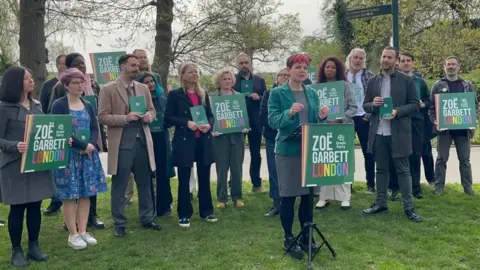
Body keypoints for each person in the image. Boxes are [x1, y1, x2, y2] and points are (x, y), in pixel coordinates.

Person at [268, 53, 329, 260]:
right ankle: (288, 237)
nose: (302, 70)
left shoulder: (312, 93)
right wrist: (289, 114)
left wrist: (321, 117)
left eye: (305, 67)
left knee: (307, 196)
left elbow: (314, 124)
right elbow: (273, 121)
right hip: (287, 151)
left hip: (308, 150)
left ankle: (306, 235)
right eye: (297, 67)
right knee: (288, 196)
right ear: (288, 70)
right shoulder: (277, 93)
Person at [98, 54, 160, 237]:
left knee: (145, 182)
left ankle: (147, 217)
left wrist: (149, 116)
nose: (137, 68)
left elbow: (152, 109)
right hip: (122, 143)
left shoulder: (143, 88)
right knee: (120, 185)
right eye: (133, 65)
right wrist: (125, 118)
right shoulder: (108, 89)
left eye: (137, 65)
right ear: (123, 67)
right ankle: (119, 223)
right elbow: (102, 116)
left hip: (142, 142)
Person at [0, 66, 56, 267]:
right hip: (14, 165)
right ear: (15, 82)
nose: (31, 80)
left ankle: (34, 246)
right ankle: (17, 250)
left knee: (35, 206)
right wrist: (14, 146)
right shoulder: (4, 107)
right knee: (17, 208)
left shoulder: (37, 105)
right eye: (26, 78)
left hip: (37, 163)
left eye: (32, 77)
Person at [45, 53, 106, 229]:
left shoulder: (87, 104)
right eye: (75, 83)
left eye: (82, 82)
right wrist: (82, 145)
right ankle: (72, 232)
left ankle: (84, 229)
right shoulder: (59, 105)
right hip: (69, 156)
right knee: (70, 196)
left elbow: (95, 127)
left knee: (86, 194)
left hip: (87, 155)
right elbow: (60, 131)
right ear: (66, 85)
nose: (80, 85)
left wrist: (92, 144)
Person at [361, 47, 422, 223]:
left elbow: (415, 104)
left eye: (389, 57)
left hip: (398, 132)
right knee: (380, 170)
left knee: (403, 170)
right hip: (378, 132)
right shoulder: (373, 81)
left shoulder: (406, 81)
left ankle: (409, 208)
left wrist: (398, 111)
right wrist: (373, 104)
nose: (385, 60)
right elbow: (365, 105)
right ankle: (380, 203)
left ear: (396, 61)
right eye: (383, 56)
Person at [165, 61, 217, 228]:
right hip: (185, 141)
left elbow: (210, 115)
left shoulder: (203, 94)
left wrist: (208, 125)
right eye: (191, 72)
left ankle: (206, 210)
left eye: (196, 72)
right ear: (183, 75)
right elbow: (168, 118)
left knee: (204, 176)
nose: (195, 74)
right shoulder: (175, 95)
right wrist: (186, 123)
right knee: (184, 177)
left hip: (202, 139)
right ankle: (184, 213)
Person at [428, 56, 478, 196]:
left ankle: (467, 187)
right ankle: (439, 187)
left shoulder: (467, 85)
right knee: (441, 159)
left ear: (458, 67)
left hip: (463, 129)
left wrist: (473, 122)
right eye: (448, 64)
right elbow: (431, 108)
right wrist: (435, 121)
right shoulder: (438, 85)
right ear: (444, 67)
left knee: (465, 160)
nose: (451, 67)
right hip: (445, 129)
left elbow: (474, 107)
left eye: (453, 64)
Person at [315, 56, 357, 210]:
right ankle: (323, 196)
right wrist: (323, 118)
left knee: (342, 161)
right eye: (327, 67)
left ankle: (345, 197)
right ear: (323, 69)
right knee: (324, 161)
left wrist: (340, 119)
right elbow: (314, 110)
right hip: (324, 129)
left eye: (333, 67)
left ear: (338, 69)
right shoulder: (317, 87)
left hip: (342, 129)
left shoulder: (345, 86)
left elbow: (353, 107)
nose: (330, 70)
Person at [389, 52, 430, 199]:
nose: (406, 63)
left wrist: (423, 104)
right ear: (398, 63)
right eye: (403, 61)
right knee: (395, 156)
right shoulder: (393, 81)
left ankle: (415, 188)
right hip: (398, 122)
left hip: (416, 123)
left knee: (415, 156)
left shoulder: (420, 82)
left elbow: (429, 100)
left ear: (412, 63)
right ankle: (394, 187)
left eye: (408, 60)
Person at [135, 72, 175, 217]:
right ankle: (149, 206)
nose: (150, 84)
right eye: (146, 82)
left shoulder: (163, 100)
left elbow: (170, 118)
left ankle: (164, 206)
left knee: (163, 172)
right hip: (146, 138)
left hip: (161, 138)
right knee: (147, 174)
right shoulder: (138, 101)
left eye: (152, 81)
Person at [211, 69, 249, 209]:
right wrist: (212, 129)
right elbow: (210, 117)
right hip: (220, 138)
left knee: (237, 167)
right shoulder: (214, 98)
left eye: (229, 79)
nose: (227, 81)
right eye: (224, 79)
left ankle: (237, 196)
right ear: (219, 81)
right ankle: (222, 198)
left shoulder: (239, 96)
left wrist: (245, 125)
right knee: (222, 168)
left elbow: (243, 115)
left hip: (237, 136)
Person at [233, 53, 266, 192]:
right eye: (241, 63)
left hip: (255, 121)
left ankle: (256, 183)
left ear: (250, 63)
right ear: (237, 65)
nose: (244, 65)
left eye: (246, 62)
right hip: (238, 121)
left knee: (255, 153)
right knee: (236, 154)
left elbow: (266, 97)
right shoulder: (232, 80)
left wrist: (259, 96)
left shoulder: (259, 81)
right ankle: (234, 183)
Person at [345, 48, 375, 194]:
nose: (357, 61)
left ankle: (370, 184)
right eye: (355, 58)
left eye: (361, 59)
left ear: (364, 61)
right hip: (347, 118)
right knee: (346, 152)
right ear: (350, 59)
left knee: (368, 152)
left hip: (364, 116)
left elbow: (375, 97)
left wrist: (368, 116)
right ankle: (347, 184)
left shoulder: (369, 76)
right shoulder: (343, 76)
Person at [40, 54, 66, 216]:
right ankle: (56, 200)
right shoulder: (48, 85)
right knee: (55, 168)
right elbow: (43, 108)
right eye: (62, 64)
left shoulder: (78, 83)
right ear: (57, 66)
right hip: (55, 129)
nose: (65, 67)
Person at [260, 68, 288, 217]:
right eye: (282, 75)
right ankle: (277, 203)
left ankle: (289, 200)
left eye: (288, 75)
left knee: (289, 171)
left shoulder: (293, 95)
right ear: (277, 78)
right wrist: (276, 126)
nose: (285, 77)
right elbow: (263, 115)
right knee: (274, 171)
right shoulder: (269, 94)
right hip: (272, 137)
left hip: (290, 137)